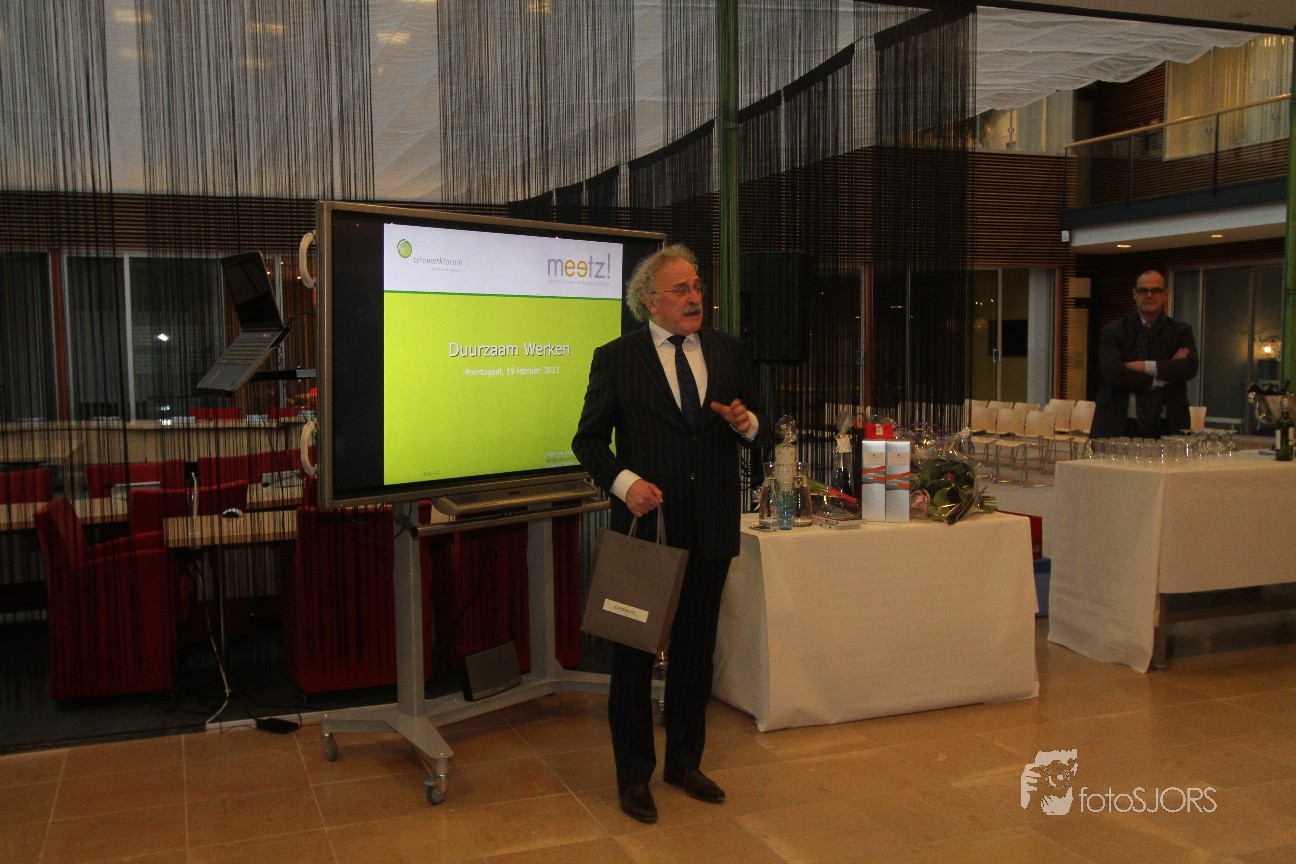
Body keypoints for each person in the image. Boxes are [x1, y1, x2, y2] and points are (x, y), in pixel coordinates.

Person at [572, 243, 767, 824]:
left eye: (697, 286)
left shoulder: (728, 351)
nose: (694, 297)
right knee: (633, 656)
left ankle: (684, 762)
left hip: (710, 525)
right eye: (681, 289)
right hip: (646, 528)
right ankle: (634, 775)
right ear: (650, 301)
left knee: (695, 651)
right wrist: (625, 483)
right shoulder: (616, 358)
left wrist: (747, 424)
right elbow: (587, 441)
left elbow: (758, 424)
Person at [1091, 269, 1198, 439]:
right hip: (1119, 425)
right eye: (1143, 290)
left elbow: (1189, 367)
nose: (1149, 295)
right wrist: (1162, 377)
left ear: (1165, 294)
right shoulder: (1113, 331)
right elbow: (1113, 373)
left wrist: (1141, 366)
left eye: (1156, 290)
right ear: (1134, 294)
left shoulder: (1180, 331)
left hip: (1168, 425)